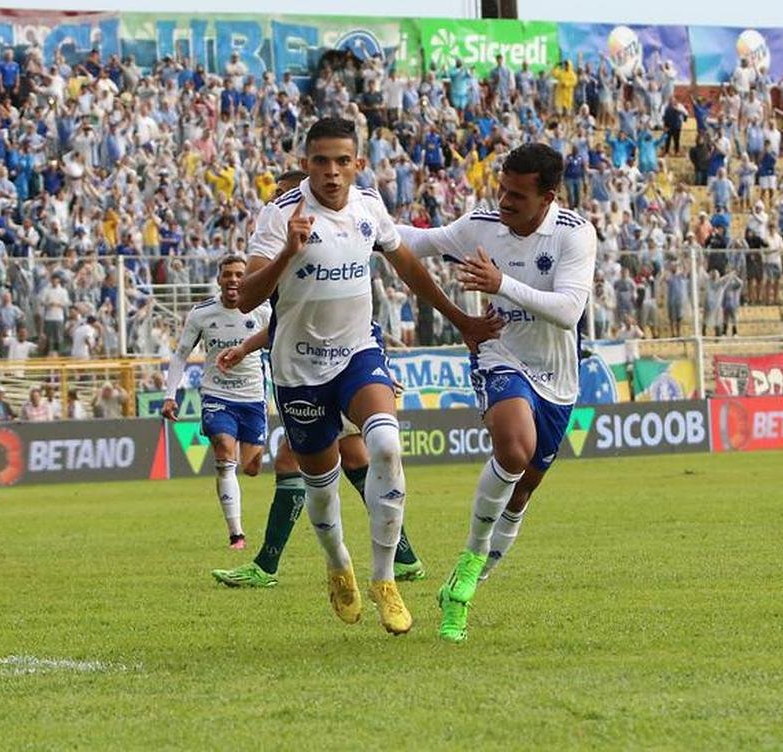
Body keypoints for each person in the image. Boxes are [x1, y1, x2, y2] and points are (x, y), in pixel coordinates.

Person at [240, 117, 500, 635]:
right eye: (320, 161)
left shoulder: (369, 207)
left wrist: (462, 320)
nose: (332, 172)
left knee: (385, 444)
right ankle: (338, 562)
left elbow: (409, 269)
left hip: (358, 351)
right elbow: (245, 297)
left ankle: (385, 579)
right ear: (306, 164)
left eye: (342, 161)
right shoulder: (279, 216)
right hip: (299, 368)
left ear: (358, 163)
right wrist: (289, 253)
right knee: (320, 483)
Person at [394, 143, 596, 642]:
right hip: (499, 353)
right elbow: (415, 242)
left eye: (517, 196)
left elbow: (570, 311)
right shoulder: (480, 225)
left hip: (557, 376)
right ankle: (467, 563)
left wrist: (501, 282)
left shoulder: (574, 235)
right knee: (513, 446)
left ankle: (466, 584)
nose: (504, 202)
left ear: (548, 197)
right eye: (501, 189)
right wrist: (361, 223)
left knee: (524, 488)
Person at [210, 170, 426, 588]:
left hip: (335, 365)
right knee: (358, 460)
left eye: (282, 196)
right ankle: (405, 557)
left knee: (299, 459)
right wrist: (245, 348)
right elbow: (288, 318)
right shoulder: (286, 241)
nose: (276, 205)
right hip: (310, 365)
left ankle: (269, 564)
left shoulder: (329, 228)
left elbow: (338, 309)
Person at [162, 255, 272, 549]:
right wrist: (170, 395)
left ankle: (237, 484)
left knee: (251, 467)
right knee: (224, 452)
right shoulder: (201, 314)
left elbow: (277, 345)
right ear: (219, 279)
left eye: (239, 274)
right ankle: (236, 534)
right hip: (216, 394)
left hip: (253, 397)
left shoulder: (262, 310)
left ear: (246, 278)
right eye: (228, 275)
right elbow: (180, 354)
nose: (233, 280)